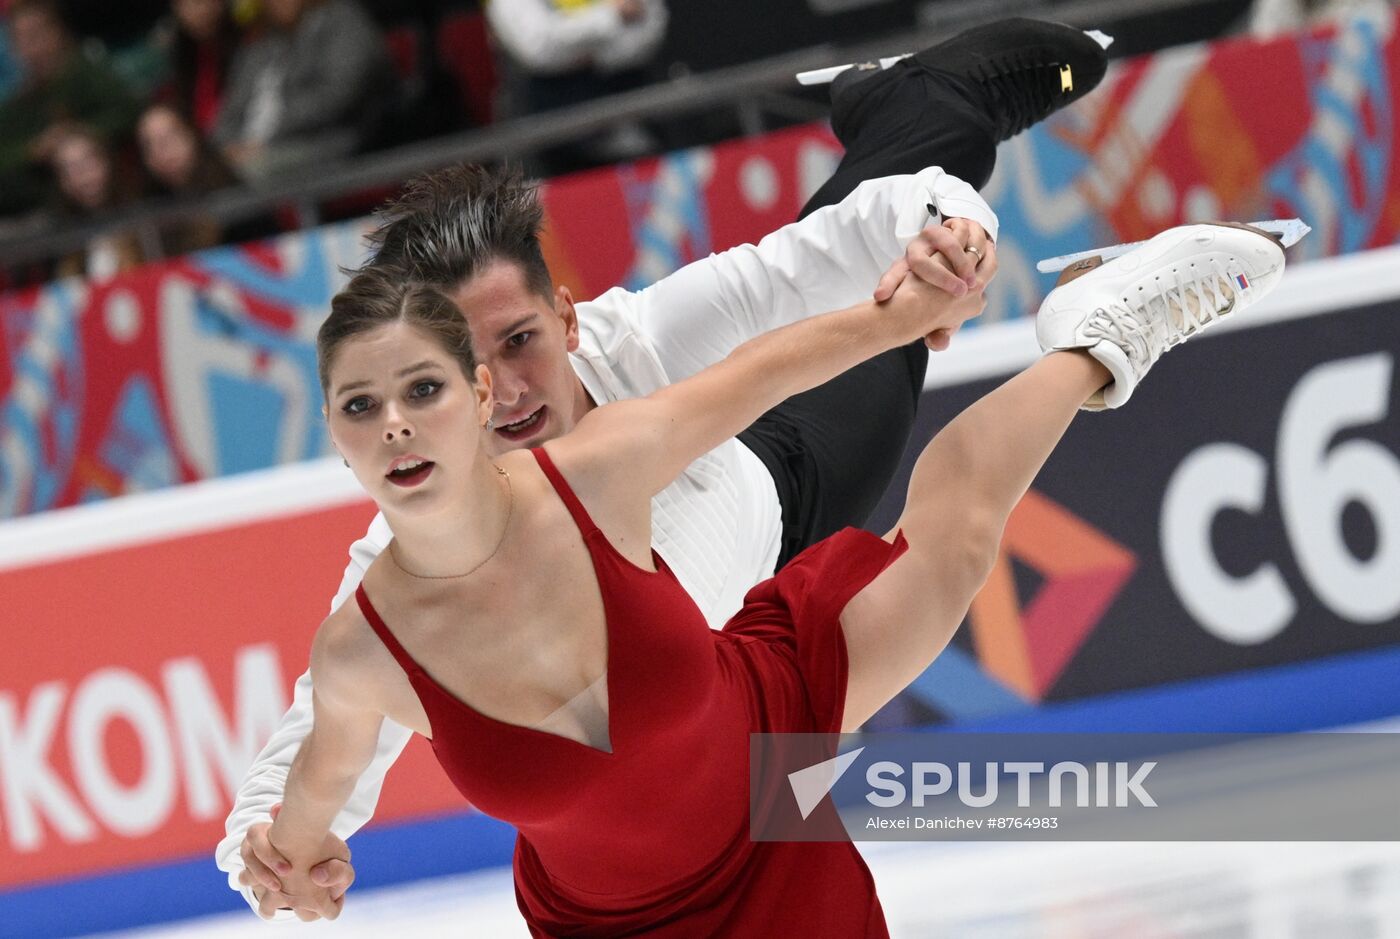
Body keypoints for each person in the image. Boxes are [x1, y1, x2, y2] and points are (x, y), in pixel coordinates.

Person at [217, 17, 1112, 919]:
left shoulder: (637, 347)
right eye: (471, 366)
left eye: (524, 339)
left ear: (566, 321)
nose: (513, 385)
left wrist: (948, 239)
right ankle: (903, 109)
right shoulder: (405, 550)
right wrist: (261, 847)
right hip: (704, 755)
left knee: (886, 321)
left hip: (786, 477)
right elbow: (325, 725)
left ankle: (939, 115)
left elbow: (823, 262)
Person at [262, 220, 1289, 934]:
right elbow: (305, 814)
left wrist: (898, 317)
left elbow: (759, 375)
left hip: (765, 746)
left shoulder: (592, 472)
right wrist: (297, 868)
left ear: (479, 394)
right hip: (610, 931)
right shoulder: (361, 647)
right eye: (361, 406)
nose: (394, 424)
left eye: (422, 389)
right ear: (333, 435)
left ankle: (1100, 335)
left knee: (953, 542)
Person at [212, 0, 392, 181]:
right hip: (251, 149)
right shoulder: (261, 43)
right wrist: (223, 149)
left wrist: (266, 139)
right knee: (206, 174)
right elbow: (231, 110)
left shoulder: (342, 19)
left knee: (242, 173)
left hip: (321, 141)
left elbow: (339, 93)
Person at [0, 0, 141, 215]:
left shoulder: (88, 76)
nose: (32, 46)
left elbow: (129, 113)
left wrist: (76, 134)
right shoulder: (17, 104)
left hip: (119, 202)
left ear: (57, 31)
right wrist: (33, 150)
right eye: (22, 38)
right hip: (43, 218)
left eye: (37, 33)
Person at [46, 123, 146, 280]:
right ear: (61, 182)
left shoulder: (144, 218)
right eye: (69, 168)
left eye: (88, 161)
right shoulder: (62, 244)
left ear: (106, 161)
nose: (83, 174)